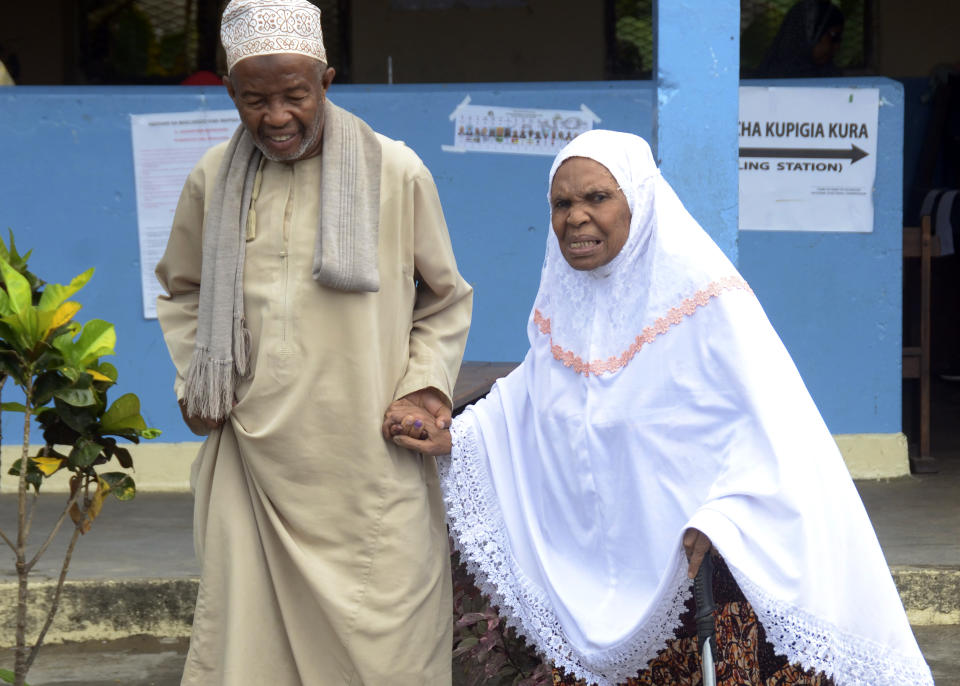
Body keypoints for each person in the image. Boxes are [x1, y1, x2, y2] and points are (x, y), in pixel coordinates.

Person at [384, 130, 933, 686]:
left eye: (597, 198)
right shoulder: (564, 311)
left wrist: (727, 516)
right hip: (610, 579)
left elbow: (778, 435)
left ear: (639, 203)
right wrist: (457, 436)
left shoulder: (710, 308)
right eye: (562, 203)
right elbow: (530, 403)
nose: (576, 217)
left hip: (708, 584)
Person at [155, 0, 472, 683]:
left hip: (369, 469)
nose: (275, 117)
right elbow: (182, 292)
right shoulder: (213, 178)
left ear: (326, 82)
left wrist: (424, 384)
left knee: (387, 661)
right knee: (248, 660)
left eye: (294, 95)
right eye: (253, 99)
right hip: (254, 467)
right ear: (230, 92)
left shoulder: (397, 171)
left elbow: (445, 299)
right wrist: (197, 380)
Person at [755, 0, 844, 78]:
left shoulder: (831, 76)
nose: (837, 46)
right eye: (834, 36)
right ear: (810, 35)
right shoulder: (771, 81)